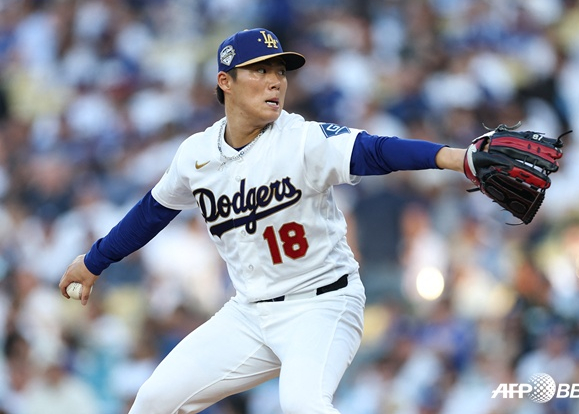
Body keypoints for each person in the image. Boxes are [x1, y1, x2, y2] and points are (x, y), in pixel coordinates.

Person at [59, 28, 467, 414]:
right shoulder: (196, 155)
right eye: (260, 70)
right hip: (249, 314)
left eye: (280, 72)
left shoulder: (301, 139)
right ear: (226, 81)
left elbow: (375, 151)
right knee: (152, 401)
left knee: (303, 405)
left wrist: (456, 157)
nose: (275, 82)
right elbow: (152, 212)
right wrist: (93, 261)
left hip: (322, 304)